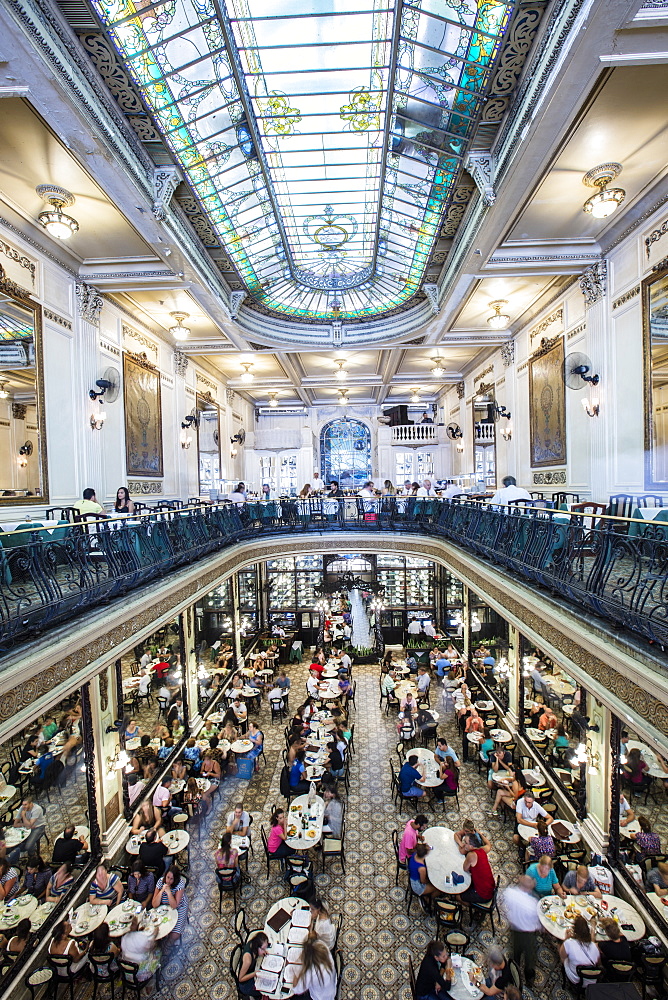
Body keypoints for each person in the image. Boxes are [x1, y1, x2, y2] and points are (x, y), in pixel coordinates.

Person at [502, 876, 541, 989]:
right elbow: (537, 922)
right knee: (530, 958)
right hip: (529, 934)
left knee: (516, 954)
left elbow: (505, 906)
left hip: (515, 930)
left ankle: (514, 975)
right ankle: (529, 979)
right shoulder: (532, 903)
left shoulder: (510, 893)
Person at [559, 914, 600, 985]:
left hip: (576, 978)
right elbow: (598, 963)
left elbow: (563, 957)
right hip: (591, 979)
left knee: (559, 946)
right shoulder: (595, 947)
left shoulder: (569, 943)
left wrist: (566, 939)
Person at [152, 868, 188, 941]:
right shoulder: (160, 881)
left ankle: (168, 947)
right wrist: (161, 891)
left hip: (179, 907)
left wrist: (169, 892)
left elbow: (174, 906)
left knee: (174, 935)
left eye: (171, 879)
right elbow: (154, 904)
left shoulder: (180, 884)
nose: (168, 881)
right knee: (156, 930)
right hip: (164, 907)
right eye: (167, 877)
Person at [120, 916, 160, 981]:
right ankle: (151, 982)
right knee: (158, 950)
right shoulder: (140, 937)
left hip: (127, 972)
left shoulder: (124, 938)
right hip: (140, 973)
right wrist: (155, 933)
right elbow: (151, 945)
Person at [461, 833, 495, 904]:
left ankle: (473, 907)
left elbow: (465, 869)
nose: (464, 844)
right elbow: (488, 844)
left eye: (466, 843)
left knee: (458, 897)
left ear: (472, 846)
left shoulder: (471, 855)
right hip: (490, 889)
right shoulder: (482, 850)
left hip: (483, 895)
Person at [238, 932, 270, 997]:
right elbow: (240, 979)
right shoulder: (248, 960)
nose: (264, 951)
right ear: (257, 947)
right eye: (263, 949)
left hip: (253, 970)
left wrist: (262, 952)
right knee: (267, 989)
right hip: (246, 984)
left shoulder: (253, 944)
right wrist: (254, 974)